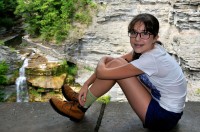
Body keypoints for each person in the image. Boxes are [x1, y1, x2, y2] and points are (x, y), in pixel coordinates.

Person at [49, 13, 187, 131]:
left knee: (117, 68)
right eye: (134, 32)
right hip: (164, 105)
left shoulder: (152, 59)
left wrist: (103, 59)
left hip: (162, 117)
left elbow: (104, 72)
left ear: (155, 37)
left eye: (145, 33)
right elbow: (114, 62)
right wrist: (86, 84)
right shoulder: (151, 48)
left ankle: (79, 108)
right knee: (117, 64)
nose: (137, 38)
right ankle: (81, 98)